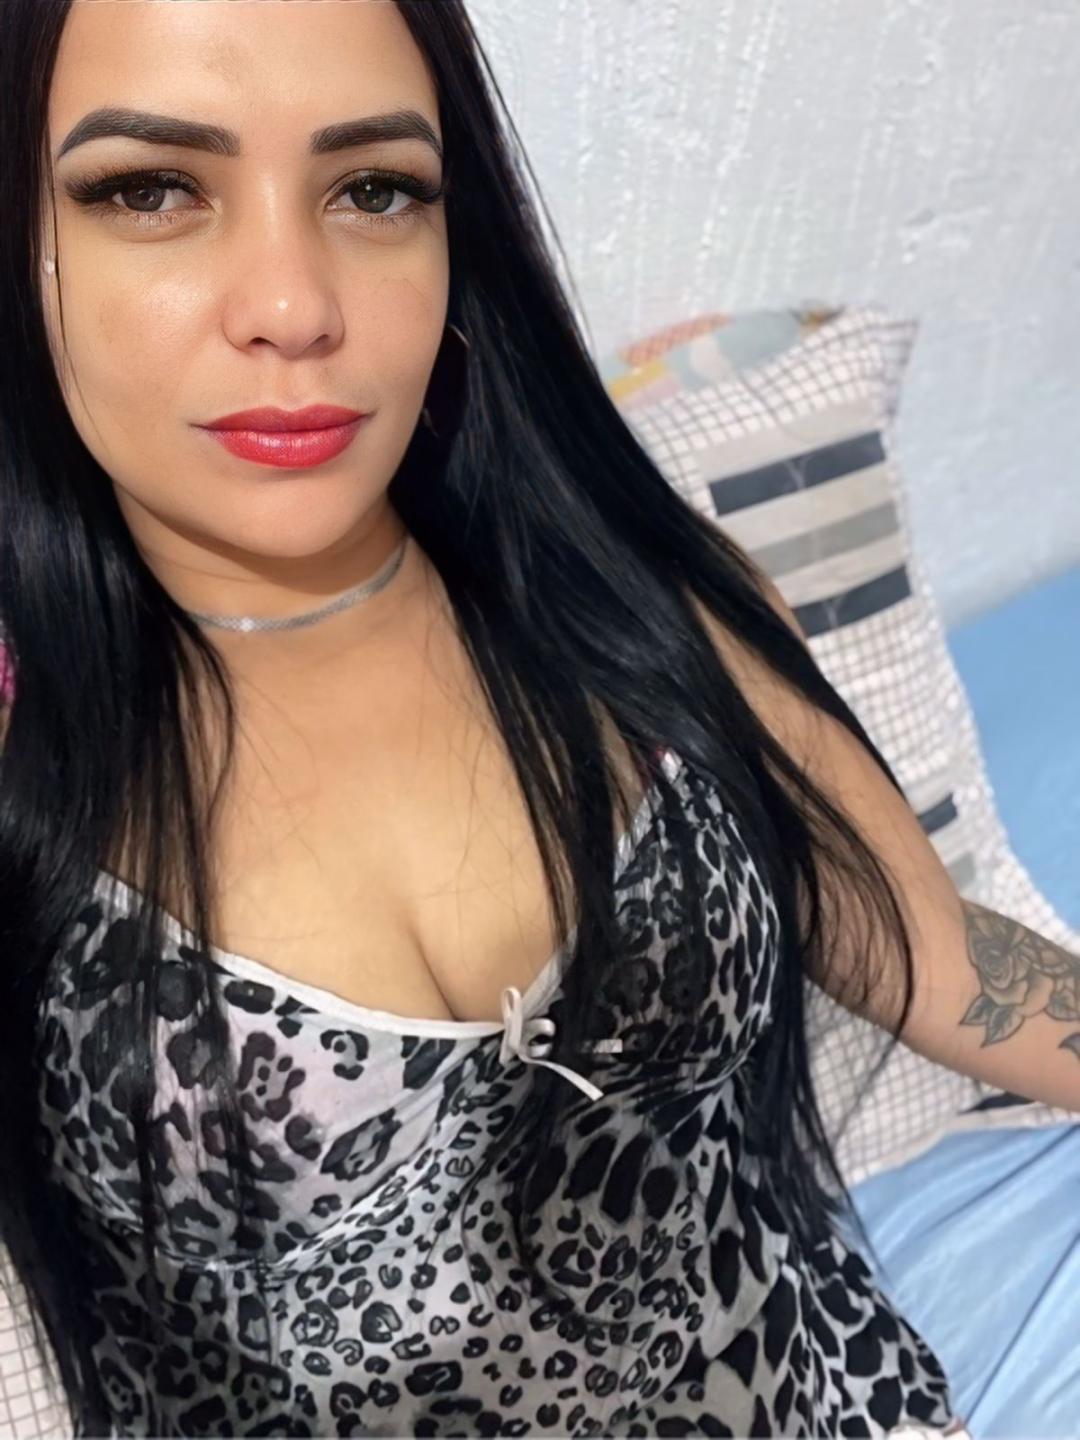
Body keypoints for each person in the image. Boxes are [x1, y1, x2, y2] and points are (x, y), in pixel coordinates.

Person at [1, 1, 1073, 1435]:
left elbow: (928, 953)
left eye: (373, 189)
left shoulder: (635, 598)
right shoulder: (30, 769)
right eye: (151, 190)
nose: (294, 304)